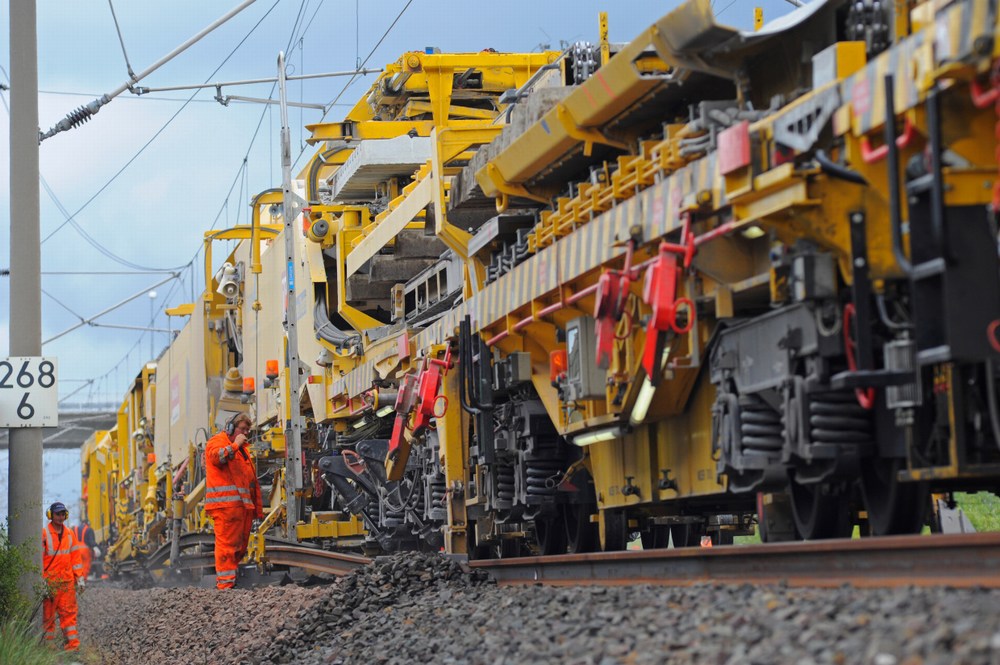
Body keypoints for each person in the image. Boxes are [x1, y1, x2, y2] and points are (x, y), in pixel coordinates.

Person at [204, 413, 263, 589]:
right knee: (227, 546)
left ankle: (230, 581)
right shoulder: (218, 441)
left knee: (239, 546)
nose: (245, 433)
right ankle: (225, 586)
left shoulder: (242, 449)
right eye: (242, 429)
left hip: (241, 507)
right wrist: (235, 445)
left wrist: (255, 509)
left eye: (247, 430)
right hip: (226, 507)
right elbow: (217, 457)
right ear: (230, 427)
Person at [41, 502, 84, 651]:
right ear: (51, 515)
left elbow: (76, 559)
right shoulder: (44, 533)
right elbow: (38, 560)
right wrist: (42, 581)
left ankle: (72, 647)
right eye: (57, 514)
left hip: (66, 583)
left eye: (62, 514)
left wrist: (80, 578)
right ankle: (48, 648)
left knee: (69, 616)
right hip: (51, 583)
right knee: (48, 616)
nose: (60, 517)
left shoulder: (70, 534)